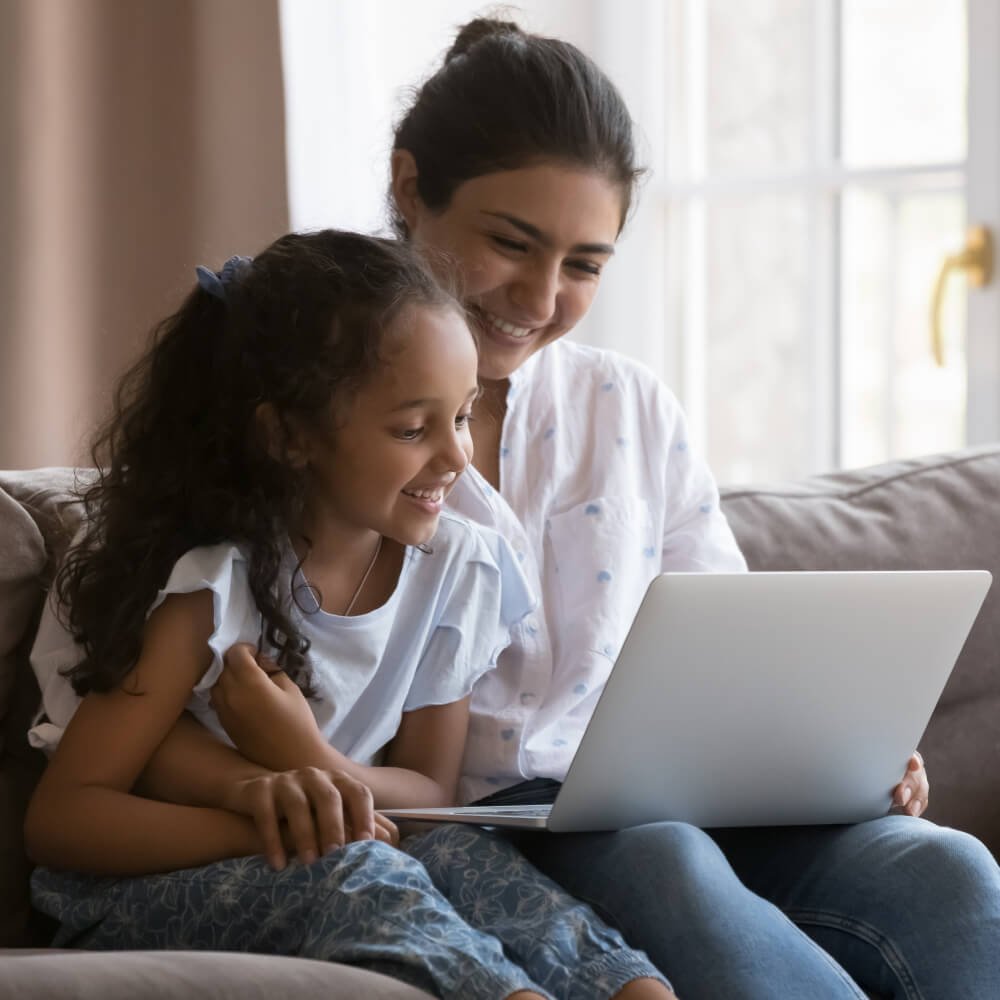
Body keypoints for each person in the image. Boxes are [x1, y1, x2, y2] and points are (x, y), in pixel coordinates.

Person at [186, 18, 1000, 1000]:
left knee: (949, 867)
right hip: (504, 826)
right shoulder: (316, 422)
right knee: (665, 858)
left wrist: (839, 751)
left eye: (583, 264)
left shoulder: (628, 406)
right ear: (408, 189)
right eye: (509, 243)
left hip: (691, 800)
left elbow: (734, 640)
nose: (539, 294)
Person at [24, 230, 675, 1000]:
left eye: (462, 417)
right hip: (151, 883)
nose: (457, 458)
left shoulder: (458, 568)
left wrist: (312, 760)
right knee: (358, 870)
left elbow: (433, 799)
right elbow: (64, 820)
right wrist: (267, 819)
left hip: (361, 841)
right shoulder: (211, 588)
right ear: (289, 436)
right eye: (411, 429)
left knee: (476, 860)